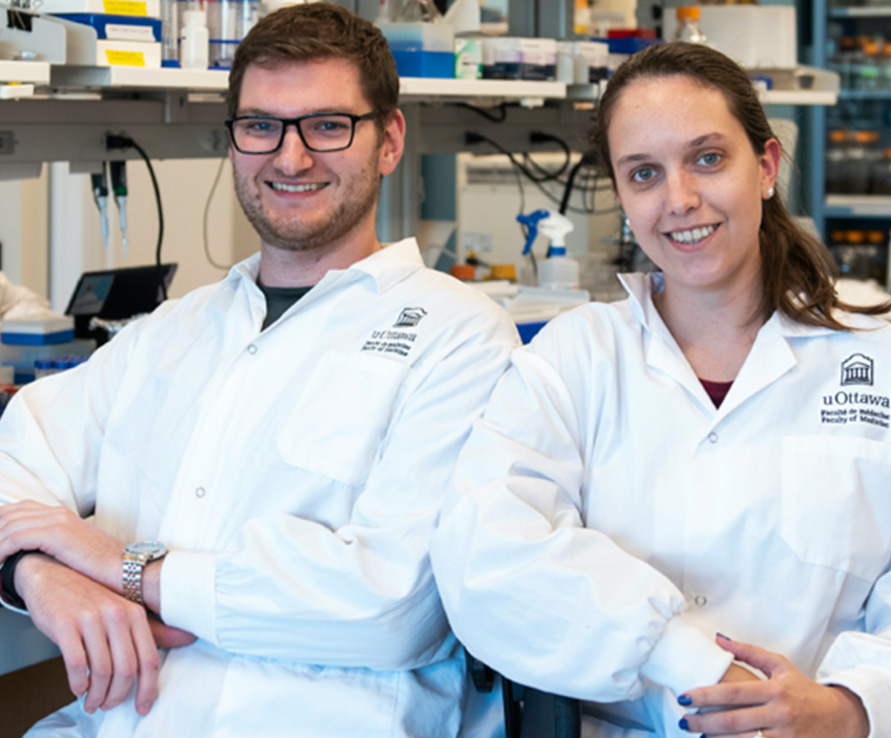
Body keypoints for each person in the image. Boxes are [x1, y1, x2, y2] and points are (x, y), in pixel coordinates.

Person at [430, 41, 891, 738]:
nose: (679, 198)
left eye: (708, 159)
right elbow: (484, 553)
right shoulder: (573, 361)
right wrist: (688, 660)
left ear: (768, 167)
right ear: (623, 196)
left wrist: (851, 706)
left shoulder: (888, 369)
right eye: (644, 173)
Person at [0, 4, 518, 736]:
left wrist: (123, 567)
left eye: (328, 126)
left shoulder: (461, 336)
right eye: (261, 126)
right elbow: (14, 459)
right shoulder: (171, 332)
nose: (291, 157)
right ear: (235, 138)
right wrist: (38, 575)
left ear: (390, 139)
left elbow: (391, 609)